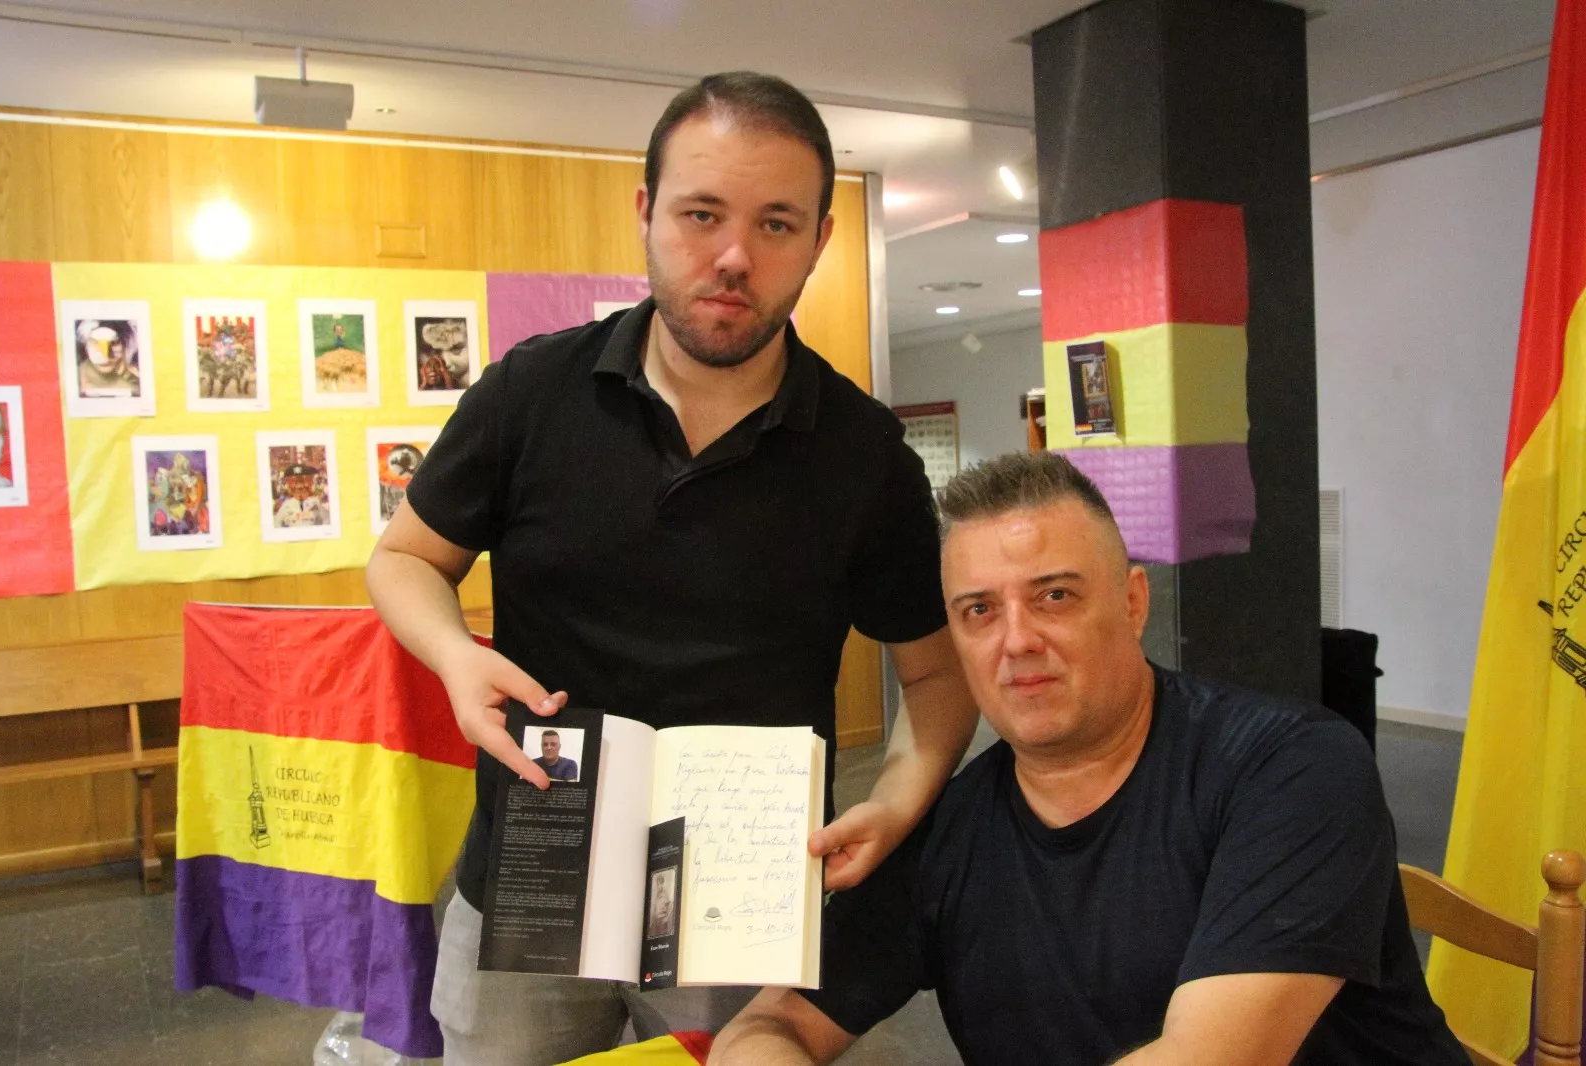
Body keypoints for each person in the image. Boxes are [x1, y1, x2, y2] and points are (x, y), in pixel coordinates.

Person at [365, 70, 977, 1066]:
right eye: (701, 214)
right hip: (537, 866)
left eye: (777, 224)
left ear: (820, 241)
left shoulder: (864, 456)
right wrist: (452, 655)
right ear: (646, 212)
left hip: (737, 886)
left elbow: (937, 674)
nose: (733, 257)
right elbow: (404, 560)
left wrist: (901, 796)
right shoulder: (532, 392)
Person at [710, 451, 1468, 1066]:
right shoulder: (950, 832)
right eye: (980, 611)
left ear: (1134, 602)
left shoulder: (1291, 772)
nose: (1016, 642)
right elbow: (766, 1026)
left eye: (1055, 597)